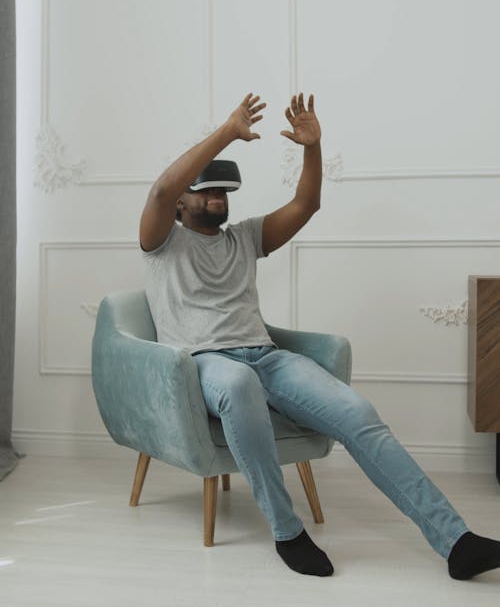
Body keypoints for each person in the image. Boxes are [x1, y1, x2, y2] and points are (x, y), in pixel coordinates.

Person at [140, 91, 500, 579]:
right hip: (204, 363)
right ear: (184, 199)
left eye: (223, 191)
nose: (217, 199)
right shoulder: (161, 242)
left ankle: (455, 541)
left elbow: (307, 203)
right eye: (206, 191)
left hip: (265, 358)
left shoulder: (244, 237)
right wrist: (228, 131)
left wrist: (313, 147)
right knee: (240, 384)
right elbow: (161, 190)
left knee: (358, 412)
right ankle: (287, 531)